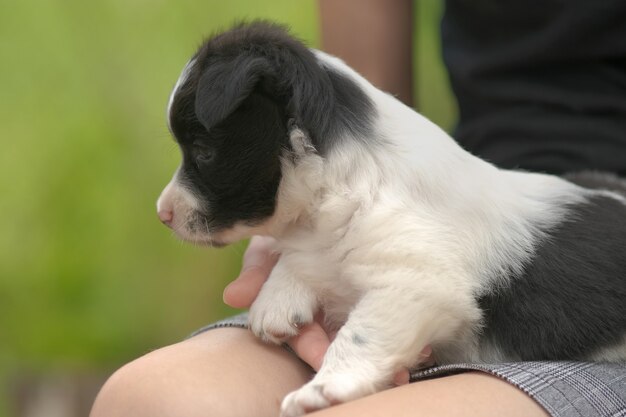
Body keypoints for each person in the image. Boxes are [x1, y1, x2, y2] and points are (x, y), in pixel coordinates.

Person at [90, 1, 626, 416]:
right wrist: (302, 242)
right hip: (496, 177)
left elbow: (423, 289)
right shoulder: (376, 168)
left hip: (587, 343)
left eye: (201, 154)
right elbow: (371, 193)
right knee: (148, 400)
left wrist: (346, 370)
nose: (167, 204)